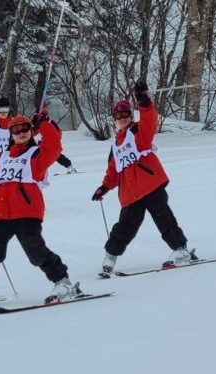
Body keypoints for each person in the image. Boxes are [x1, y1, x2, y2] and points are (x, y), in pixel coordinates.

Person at [0, 112, 78, 306]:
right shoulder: (3, 157)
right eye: (16, 130)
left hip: (26, 211)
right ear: (11, 134)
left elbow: (54, 146)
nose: (21, 133)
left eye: (25, 128)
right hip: (0, 212)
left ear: (31, 131)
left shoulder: (37, 155)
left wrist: (44, 124)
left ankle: (63, 282)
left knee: (35, 250)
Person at [91, 80, 192, 273]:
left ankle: (181, 249)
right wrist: (103, 187)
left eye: (125, 114)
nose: (122, 118)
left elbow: (150, 119)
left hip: (151, 186)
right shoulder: (115, 145)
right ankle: (110, 256)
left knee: (164, 219)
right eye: (118, 116)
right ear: (114, 118)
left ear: (131, 115)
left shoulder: (139, 133)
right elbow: (113, 172)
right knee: (124, 227)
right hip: (130, 194)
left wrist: (143, 100)